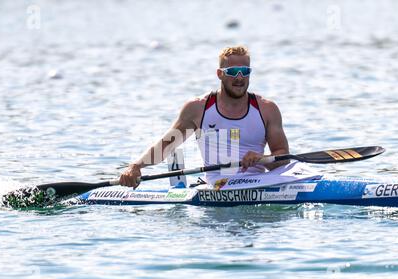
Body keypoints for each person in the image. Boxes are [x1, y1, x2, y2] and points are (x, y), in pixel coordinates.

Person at [119, 45, 289, 188]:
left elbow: (283, 158)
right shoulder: (198, 108)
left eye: (245, 71)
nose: (240, 77)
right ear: (219, 74)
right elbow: (166, 146)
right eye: (233, 71)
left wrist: (263, 159)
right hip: (218, 187)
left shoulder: (267, 109)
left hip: (258, 184)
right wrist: (136, 166)